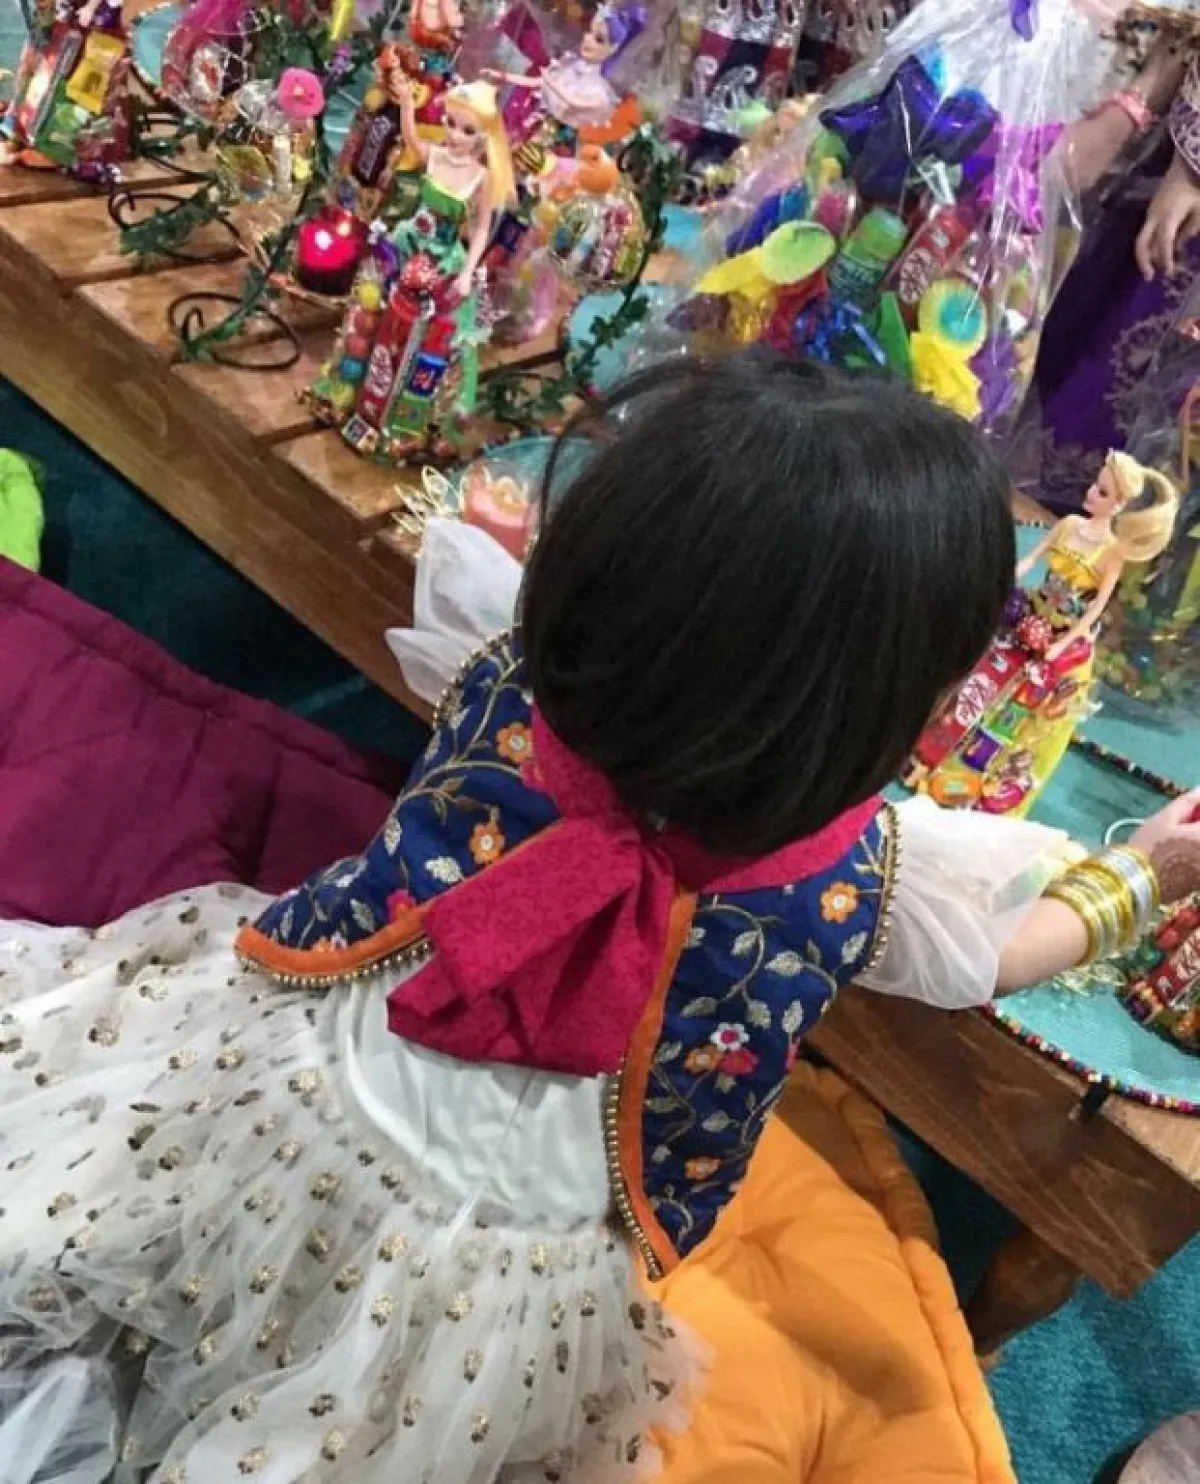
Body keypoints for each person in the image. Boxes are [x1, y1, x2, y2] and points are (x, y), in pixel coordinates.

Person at [2, 352, 1199, 1484]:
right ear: (890, 705)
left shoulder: (506, 673)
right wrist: (1142, 875)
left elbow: (474, 588)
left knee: (104, 1270)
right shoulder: (855, 877)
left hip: (290, 1095)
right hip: (488, 1273)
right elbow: (994, 952)